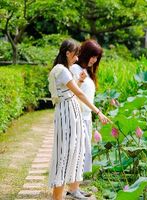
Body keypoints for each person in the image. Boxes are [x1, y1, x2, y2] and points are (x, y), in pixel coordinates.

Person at [48, 39, 110, 200]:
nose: (77, 58)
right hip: (69, 115)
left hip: (73, 115)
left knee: (73, 153)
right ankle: (58, 196)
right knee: (64, 154)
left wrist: (81, 81)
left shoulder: (64, 70)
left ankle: (70, 191)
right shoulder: (63, 70)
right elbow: (79, 94)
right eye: (75, 55)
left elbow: (71, 90)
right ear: (68, 53)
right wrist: (99, 112)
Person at [69, 39, 103, 197]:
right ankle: (74, 189)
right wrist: (98, 112)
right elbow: (75, 93)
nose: (94, 60)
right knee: (79, 152)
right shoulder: (75, 69)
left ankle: (74, 188)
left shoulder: (87, 71)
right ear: (86, 53)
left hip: (86, 116)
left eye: (97, 57)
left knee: (83, 152)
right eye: (92, 56)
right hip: (77, 117)